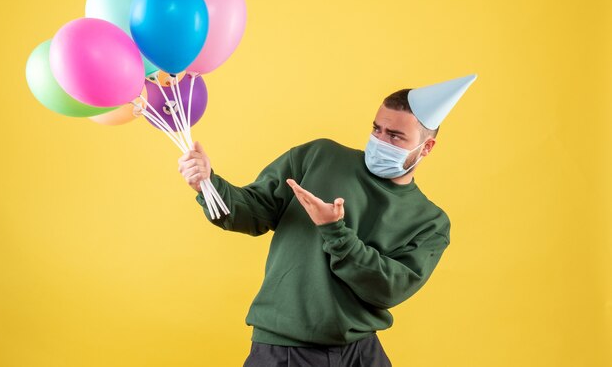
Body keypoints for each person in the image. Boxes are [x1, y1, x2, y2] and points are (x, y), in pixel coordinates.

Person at [177, 74, 477, 366]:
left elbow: (388, 288)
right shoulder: (319, 156)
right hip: (283, 348)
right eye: (377, 129)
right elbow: (254, 211)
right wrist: (207, 184)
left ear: (426, 148)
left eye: (395, 136)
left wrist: (335, 231)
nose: (380, 140)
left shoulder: (430, 222)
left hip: (358, 351)